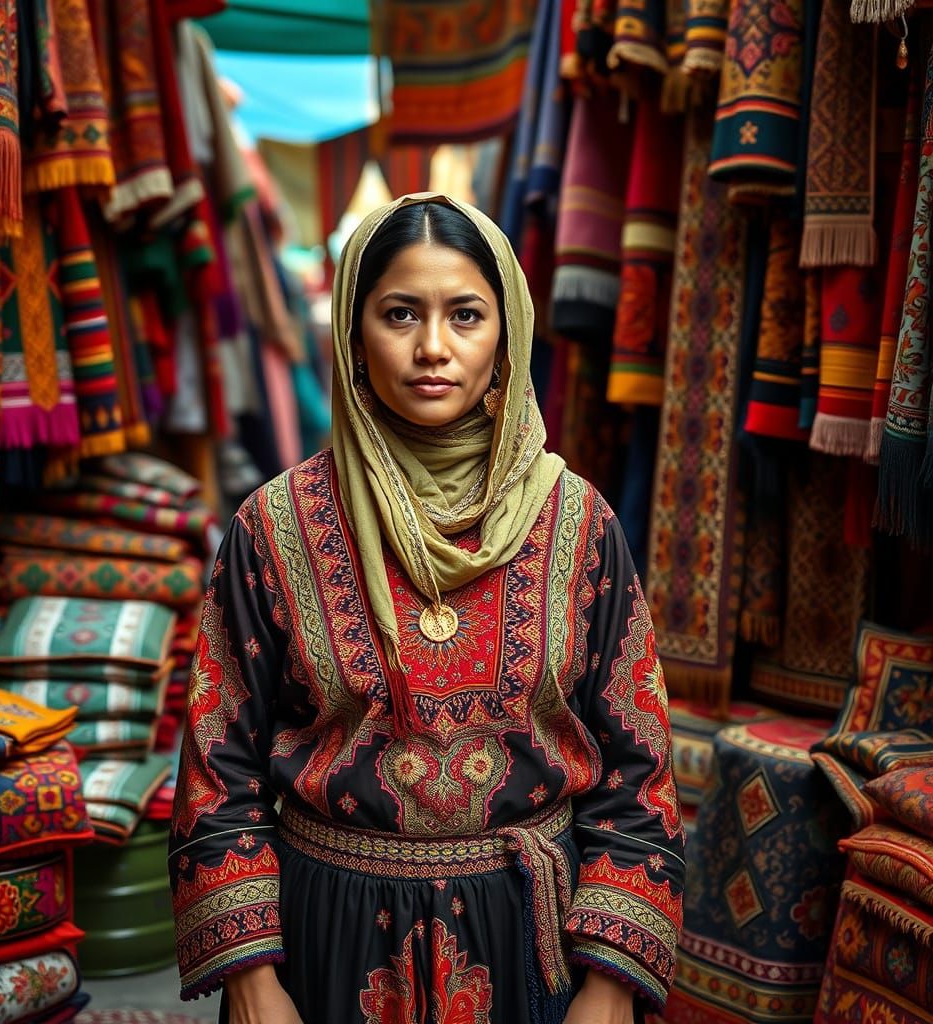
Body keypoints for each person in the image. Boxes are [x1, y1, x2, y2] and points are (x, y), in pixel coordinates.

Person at [168, 193, 686, 1024]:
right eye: (400, 313)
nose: (434, 348)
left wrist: (610, 983)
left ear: (506, 332)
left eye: (467, 315)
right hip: (325, 946)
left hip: (532, 943)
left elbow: (641, 767)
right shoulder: (275, 525)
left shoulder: (578, 522)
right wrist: (252, 981)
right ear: (351, 332)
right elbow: (216, 764)